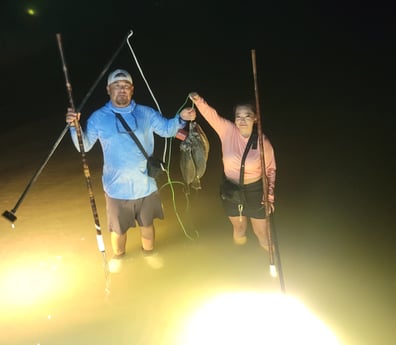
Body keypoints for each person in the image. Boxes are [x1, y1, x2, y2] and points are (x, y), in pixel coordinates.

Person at [65, 69, 195, 272]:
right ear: (108, 90)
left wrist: (181, 118)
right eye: (117, 87)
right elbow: (84, 146)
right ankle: (119, 257)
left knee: (147, 224)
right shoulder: (99, 117)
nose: (122, 90)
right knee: (118, 230)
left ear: (132, 90)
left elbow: (167, 129)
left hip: (146, 184)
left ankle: (149, 253)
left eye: (126, 86)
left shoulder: (145, 112)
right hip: (116, 188)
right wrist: (75, 127)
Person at [184, 92, 276, 251]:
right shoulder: (227, 130)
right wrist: (198, 101)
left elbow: (270, 169)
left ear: (255, 118)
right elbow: (212, 116)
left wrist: (269, 196)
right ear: (234, 119)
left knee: (262, 234)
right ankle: (239, 258)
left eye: (247, 116)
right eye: (238, 116)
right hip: (231, 190)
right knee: (239, 230)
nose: (242, 120)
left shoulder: (262, 141)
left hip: (255, 191)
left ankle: (271, 263)